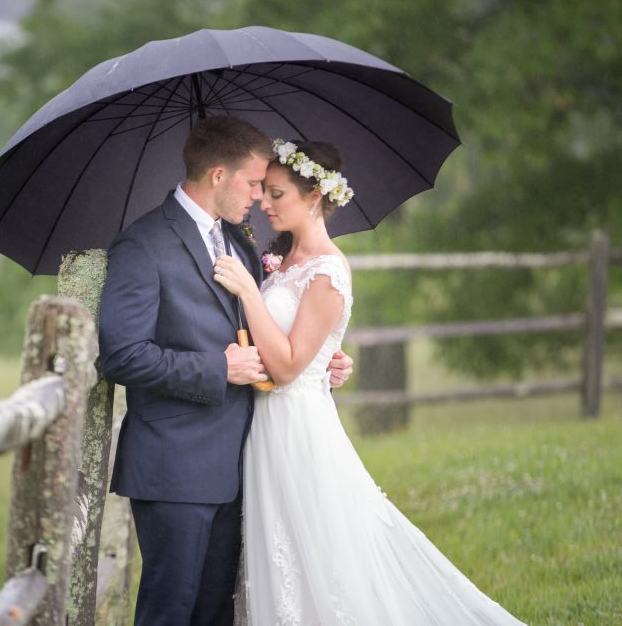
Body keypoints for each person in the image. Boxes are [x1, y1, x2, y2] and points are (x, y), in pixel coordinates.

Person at [212, 139, 524, 625]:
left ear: (314, 196)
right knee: (280, 552)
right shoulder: (279, 259)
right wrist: (324, 358)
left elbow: (291, 365)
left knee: (320, 554)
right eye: (264, 192)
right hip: (266, 425)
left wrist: (252, 294)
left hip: (298, 430)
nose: (264, 203)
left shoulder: (328, 271)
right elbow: (296, 342)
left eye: (277, 194)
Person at [99, 116, 354, 626]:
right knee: (170, 610)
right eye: (254, 183)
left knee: (217, 611)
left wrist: (320, 356)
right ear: (219, 175)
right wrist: (218, 368)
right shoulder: (143, 245)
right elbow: (121, 355)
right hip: (174, 467)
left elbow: (266, 327)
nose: (261, 197)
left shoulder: (237, 241)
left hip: (244, 465)